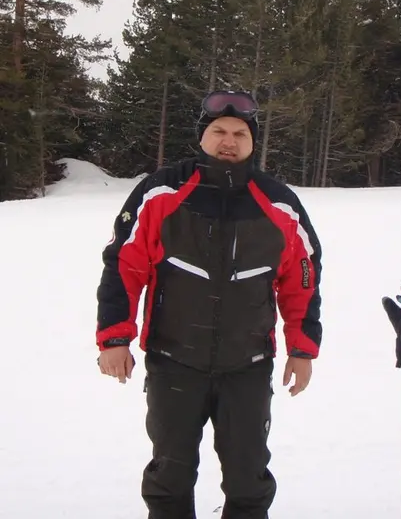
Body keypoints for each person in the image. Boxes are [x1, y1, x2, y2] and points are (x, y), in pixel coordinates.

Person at [96, 89, 323, 519]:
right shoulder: (161, 192)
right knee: (170, 478)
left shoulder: (279, 203)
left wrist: (302, 347)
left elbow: (303, 277)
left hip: (247, 366)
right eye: (219, 131)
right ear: (202, 135)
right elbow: (123, 264)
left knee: (248, 479)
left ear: (252, 141)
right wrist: (114, 337)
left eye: (240, 133)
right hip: (174, 361)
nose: (229, 141)